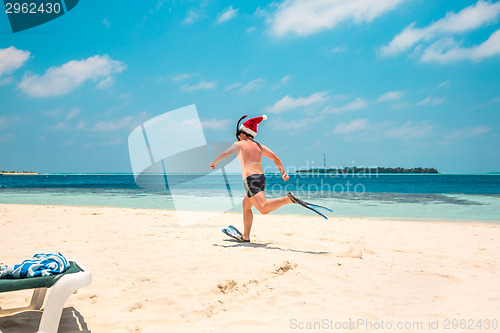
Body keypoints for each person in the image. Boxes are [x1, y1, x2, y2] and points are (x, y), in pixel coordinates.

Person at [209, 115, 295, 242]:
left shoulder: (239, 144)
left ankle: (287, 199)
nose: (238, 137)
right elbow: (275, 157)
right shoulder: (259, 146)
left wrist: (215, 162)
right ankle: (246, 236)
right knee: (246, 206)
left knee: (263, 208)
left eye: (239, 134)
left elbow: (226, 153)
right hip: (261, 179)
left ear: (243, 133)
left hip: (251, 180)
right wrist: (283, 172)